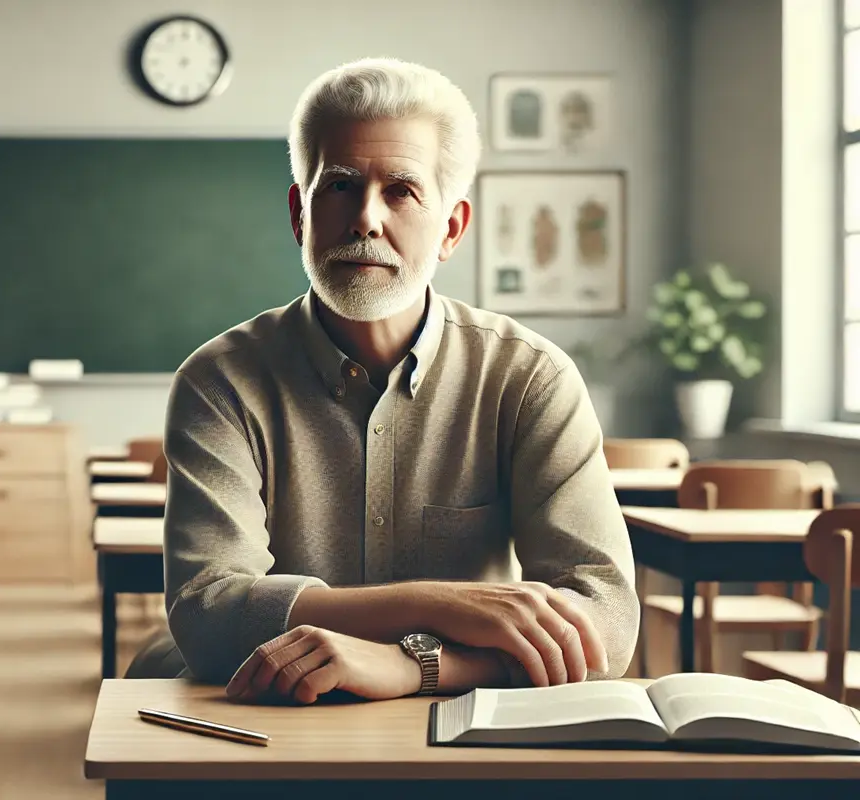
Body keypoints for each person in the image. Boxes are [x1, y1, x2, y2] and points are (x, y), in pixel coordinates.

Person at [131, 57, 638, 704]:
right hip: (273, 723)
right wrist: (445, 607)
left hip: (462, 731)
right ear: (299, 215)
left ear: (451, 228)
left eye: (401, 190)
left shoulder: (529, 377)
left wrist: (411, 666)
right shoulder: (219, 382)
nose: (366, 218)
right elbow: (208, 615)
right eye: (339, 186)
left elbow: (608, 626)